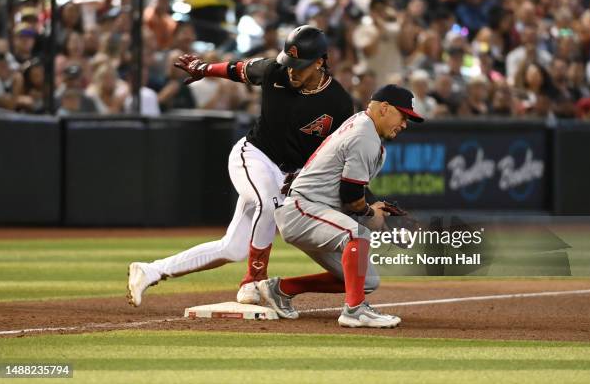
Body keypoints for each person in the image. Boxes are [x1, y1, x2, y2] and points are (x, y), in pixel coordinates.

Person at [127, 25, 354, 307]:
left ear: (320, 61)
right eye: (290, 63)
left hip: (288, 175)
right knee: (269, 205)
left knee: (232, 248)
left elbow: (335, 153)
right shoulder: (275, 71)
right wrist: (203, 68)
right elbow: (237, 69)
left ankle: (151, 270)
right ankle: (254, 280)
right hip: (253, 156)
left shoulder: (340, 103)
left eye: (301, 65)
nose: (293, 71)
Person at [259, 84, 423, 328]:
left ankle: (281, 289)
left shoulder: (364, 126)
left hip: (316, 210)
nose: (405, 124)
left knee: (366, 280)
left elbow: (353, 186)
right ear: (384, 108)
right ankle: (354, 310)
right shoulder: (363, 135)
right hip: (304, 210)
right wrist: (371, 214)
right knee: (357, 234)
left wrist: (377, 209)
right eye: (403, 116)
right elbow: (351, 197)